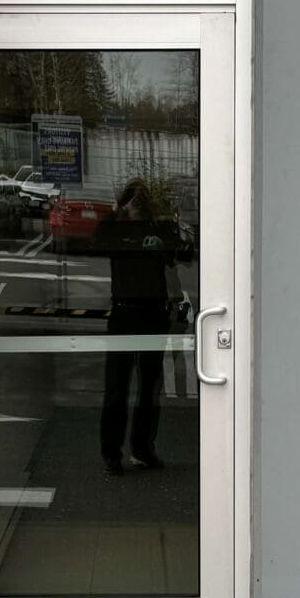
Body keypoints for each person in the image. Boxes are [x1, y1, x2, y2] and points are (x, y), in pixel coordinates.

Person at [94, 178, 194, 476]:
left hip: (150, 313)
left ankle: (140, 449)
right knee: (119, 387)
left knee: (147, 388)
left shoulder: (156, 229)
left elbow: (185, 255)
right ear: (125, 205)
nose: (139, 209)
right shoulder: (115, 230)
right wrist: (116, 211)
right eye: (134, 203)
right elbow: (97, 239)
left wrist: (164, 244)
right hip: (127, 313)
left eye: (142, 204)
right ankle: (115, 452)